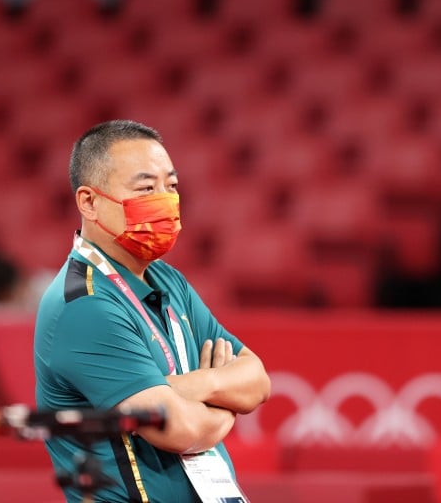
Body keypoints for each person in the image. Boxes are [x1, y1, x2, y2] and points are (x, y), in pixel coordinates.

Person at [34, 120, 270, 503]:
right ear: (89, 202)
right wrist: (225, 406)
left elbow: (257, 381)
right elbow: (178, 428)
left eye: (171, 186)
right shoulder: (85, 304)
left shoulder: (168, 280)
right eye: (146, 188)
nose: (164, 199)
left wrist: (197, 386)